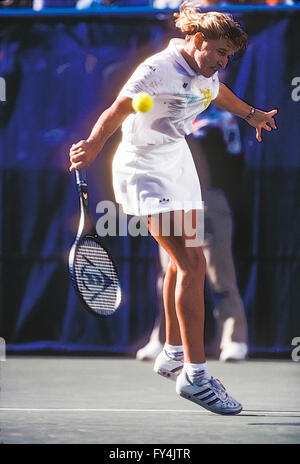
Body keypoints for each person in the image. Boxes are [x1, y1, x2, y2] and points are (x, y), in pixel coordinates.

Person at [69, 2, 278, 415]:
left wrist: (252, 114)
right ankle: (196, 377)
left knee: (181, 261)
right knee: (193, 264)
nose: (222, 61)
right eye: (218, 52)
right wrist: (93, 145)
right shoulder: (157, 68)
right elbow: (118, 110)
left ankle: (172, 353)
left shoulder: (206, 69)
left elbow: (217, 93)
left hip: (177, 162)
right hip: (143, 167)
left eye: (228, 57)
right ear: (197, 41)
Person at [136, 108, 249, 363]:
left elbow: (232, 159)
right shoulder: (167, 113)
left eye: (223, 68)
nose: (216, 71)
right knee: (170, 273)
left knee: (219, 274)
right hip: (173, 201)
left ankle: (234, 338)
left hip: (209, 198)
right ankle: (164, 339)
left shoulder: (222, 119)